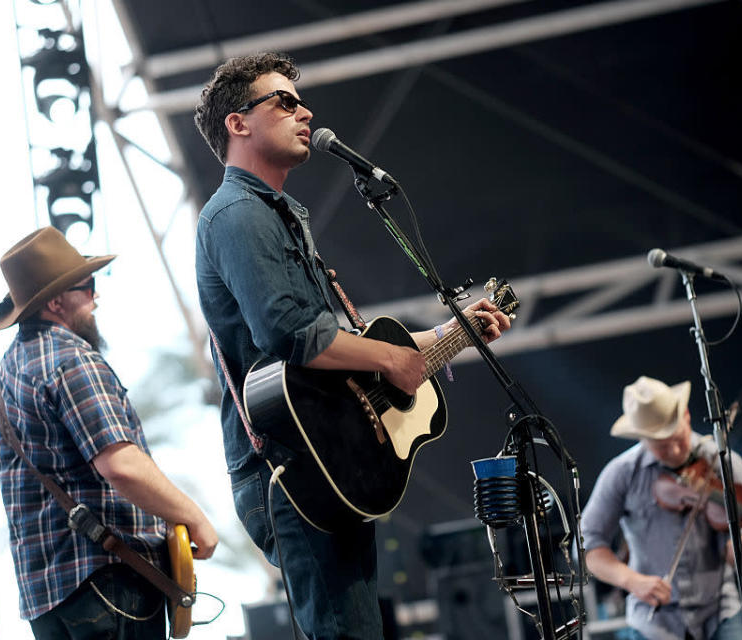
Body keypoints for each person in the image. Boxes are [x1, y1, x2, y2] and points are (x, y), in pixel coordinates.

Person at [192, 52, 511, 639]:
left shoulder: (275, 214)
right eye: (284, 101)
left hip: (328, 452)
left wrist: (450, 333)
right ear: (238, 124)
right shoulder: (236, 214)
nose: (305, 111)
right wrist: (393, 358)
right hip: (289, 465)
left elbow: (344, 342)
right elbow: (293, 333)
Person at [0, 226, 219, 639]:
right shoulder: (71, 358)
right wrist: (194, 518)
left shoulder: (0, 382)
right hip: (109, 585)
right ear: (56, 301)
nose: (96, 297)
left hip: (46, 601)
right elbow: (121, 465)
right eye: (87, 286)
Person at [582, 376, 742, 640]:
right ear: (641, 437)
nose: (675, 451)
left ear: (685, 415)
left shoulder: (724, 464)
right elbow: (588, 548)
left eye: (678, 439)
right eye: (661, 447)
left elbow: (729, 555)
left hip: (719, 612)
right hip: (653, 621)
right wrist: (632, 581)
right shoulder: (621, 474)